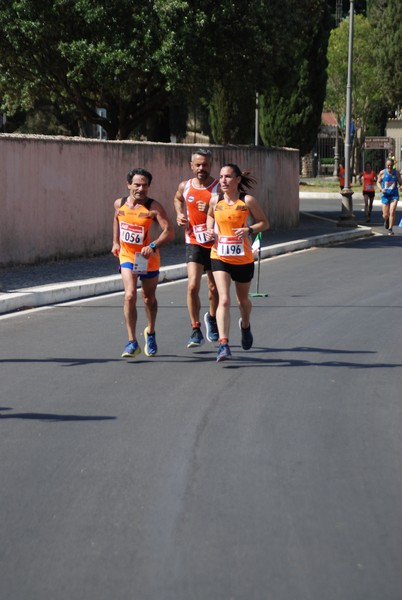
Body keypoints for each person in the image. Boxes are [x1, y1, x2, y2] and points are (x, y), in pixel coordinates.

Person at [205, 164, 270, 362]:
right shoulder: (215, 200)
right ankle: (223, 344)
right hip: (219, 255)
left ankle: (246, 325)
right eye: (221, 176)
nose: (223, 180)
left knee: (243, 301)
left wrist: (249, 230)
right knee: (224, 299)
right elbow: (209, 216)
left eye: (228, 177)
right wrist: (210, 230)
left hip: (243, 258)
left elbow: (264, 223)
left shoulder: (247, 201)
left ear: (238, 180)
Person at [112, 168, 174, 358]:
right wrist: (115, 242)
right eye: (137, 184)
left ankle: (151, 332)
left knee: (148, 298)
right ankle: (132, 342)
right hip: (128, 256)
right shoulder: (119, 203)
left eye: (145, 185)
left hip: (147, 258)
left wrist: (153, 245)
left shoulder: (153, 207)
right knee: (130, 295)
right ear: (128, 184)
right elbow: (117, 219)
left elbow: (169, 231)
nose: (141, 188)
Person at [173, 148, 220, 347]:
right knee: (192, 285)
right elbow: (177, 199)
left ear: (211, 165)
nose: (201, 168)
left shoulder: (219, 188)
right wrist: (179, 214)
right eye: (198, 165)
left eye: (205, 164)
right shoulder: (185, 186)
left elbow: (229, 211)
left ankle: (211, 317)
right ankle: (195, 328)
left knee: (213, 287)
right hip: (193, 240)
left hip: (215, 243)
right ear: (191, 166)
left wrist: (211, 210)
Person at [376, 158, 402, 236]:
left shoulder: (396, 173)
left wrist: (401, 187)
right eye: (388, 166)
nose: (389, 167)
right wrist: (381, 189)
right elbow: (378, 182)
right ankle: (386, 220)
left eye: (391, 165)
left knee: (392, 211)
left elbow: (401, 183)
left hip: (394, 195)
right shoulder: (382, 173)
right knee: (385, 215)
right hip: (385, 195)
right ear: (386, 165)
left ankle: (390, 229)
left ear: (393, 165)